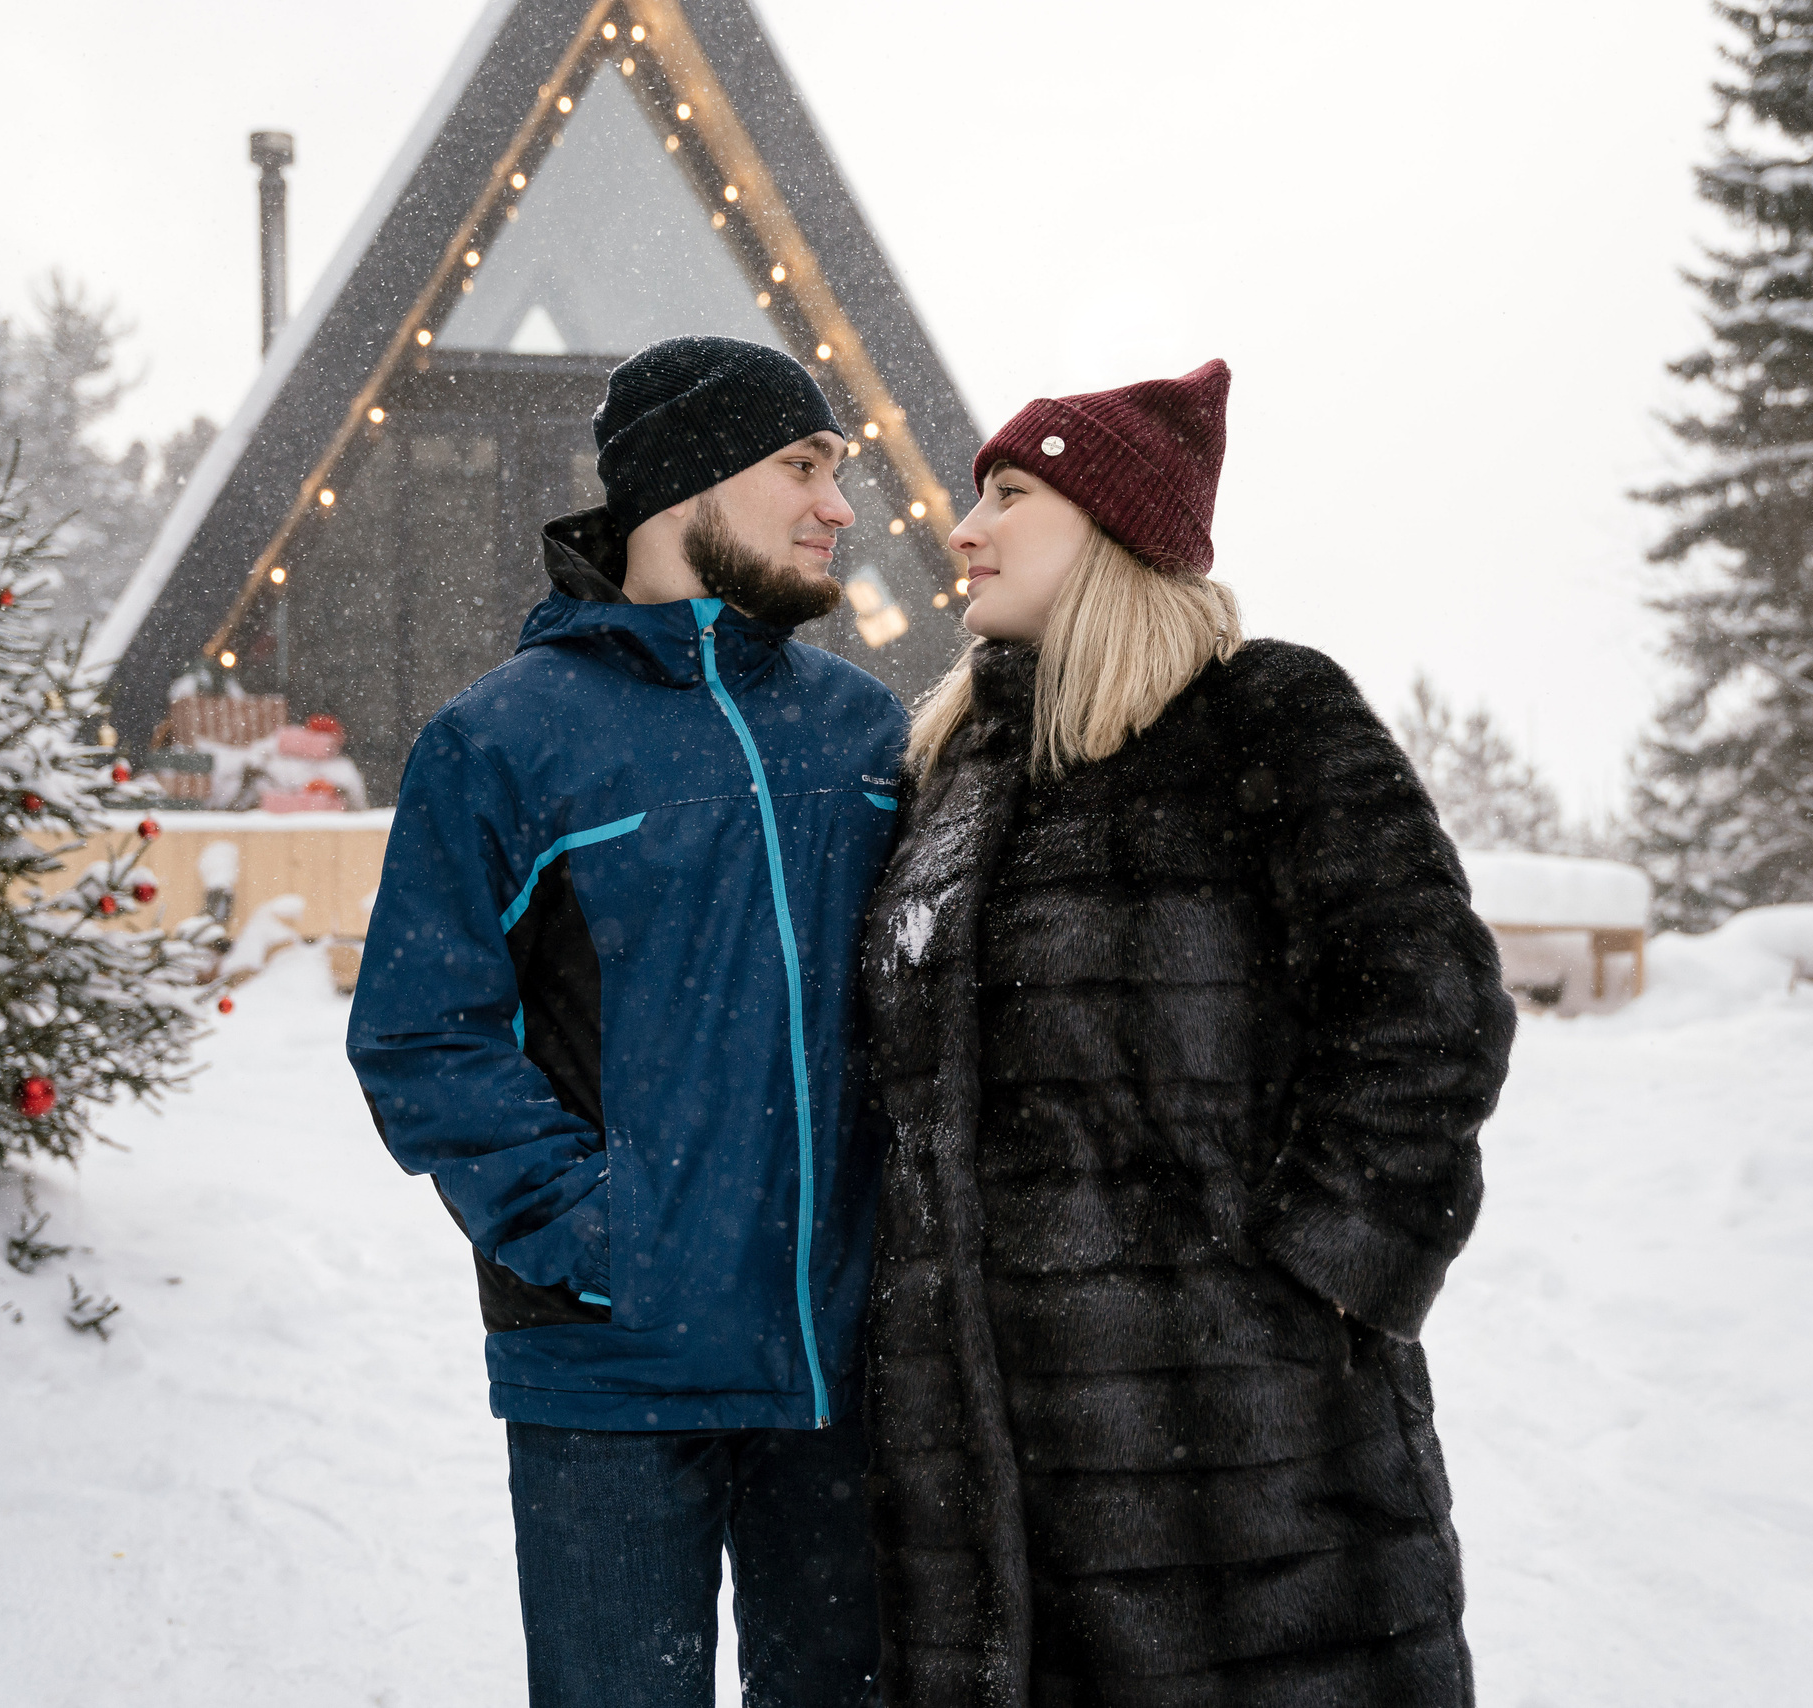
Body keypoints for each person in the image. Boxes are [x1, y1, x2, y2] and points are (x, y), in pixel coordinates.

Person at [858, 360, 1516, 1706]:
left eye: (1011, 493)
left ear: (1112, 525)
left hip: (1249, 1471)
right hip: (989, 1493)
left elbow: (1431, 1006)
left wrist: (1313, 1287)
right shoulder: (953, 776)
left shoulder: (1264, 717)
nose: (963, 529)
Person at [349, 335, 906, 1708]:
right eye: (802, 467)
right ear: (685, 486)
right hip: (609, 1374)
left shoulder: (868, 733)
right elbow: (423, 1035)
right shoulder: (503, 741)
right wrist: (600, 1237)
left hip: (843, 1371)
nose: (839, 507)